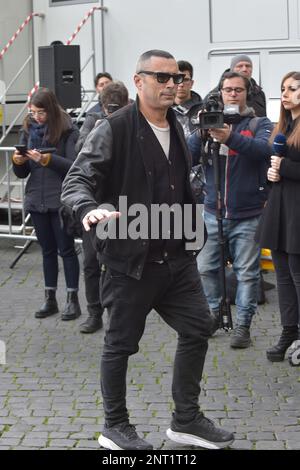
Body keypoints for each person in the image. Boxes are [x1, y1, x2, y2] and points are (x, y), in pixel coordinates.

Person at [61, 49, 234, 450]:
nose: (172, 84)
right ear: (138, 81)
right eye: (161, 77)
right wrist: (89, 209)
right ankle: (115, 427)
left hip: (177, 259)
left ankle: (186, 419)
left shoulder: (177, 123)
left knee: (198, 328)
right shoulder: (115, 128)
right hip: (130, 262)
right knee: (120, 345)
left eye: (175, 77)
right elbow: (77, 180)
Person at [188, 72, 273, 348]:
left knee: (247, 273)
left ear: (246, 93)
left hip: (248, 214)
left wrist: (230, 137)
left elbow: (263, 150)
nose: (233, 94)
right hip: (213, 211)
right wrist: (200, 130)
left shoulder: (259, 123)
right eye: (228, 90)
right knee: (204, 268)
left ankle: (243, 326)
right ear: (220, 93)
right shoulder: (209, 124)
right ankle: (215, 312)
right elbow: (187, 157)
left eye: (238, 89)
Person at [12, 87, 81, 321]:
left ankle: (73, 300)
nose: (37, 117)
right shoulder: (28, 128)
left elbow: (73, 166)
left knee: (67, 251)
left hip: (60, 200)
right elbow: (21, 173)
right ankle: (49, 298)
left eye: (41, 112)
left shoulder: (68, 130)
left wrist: (47, 159)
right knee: (47, 252)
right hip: (36, 199)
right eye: (33, 112)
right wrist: (18, 161)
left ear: (51, 110)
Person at [77, 81, 129, 334]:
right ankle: (94, 312)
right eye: (110, 108)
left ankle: (116, 312)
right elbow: (78, 152)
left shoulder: (132, 123)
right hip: (96, 203)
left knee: (119, 262)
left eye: (118, 108)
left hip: (123, 205)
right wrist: (96, 132)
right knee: (90, 262)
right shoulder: (94, 119)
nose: (113, 112)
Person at [256, 71, 300, 362]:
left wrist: (283, 167)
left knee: (298, 277)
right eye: (283, 88)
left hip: (298, 213)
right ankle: (289, 332)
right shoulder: (284, 127)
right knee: (283, 276)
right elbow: (281, 167)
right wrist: (273, 174)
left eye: (293, 89)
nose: (285, 94)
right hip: (281, 208)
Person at [75, 81, 129, 154]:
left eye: (118, 111)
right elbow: (79, 148)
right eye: (110, 110)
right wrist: (96, 132)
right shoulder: (94, 119)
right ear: (103, 105)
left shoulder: (131, 120)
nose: (113, 116)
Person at [172, 60, 203, 139]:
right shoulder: (163, 109)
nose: (181, 84)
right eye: (178, 79)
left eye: (185, 80)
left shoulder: (203, 109)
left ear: (192, 83)